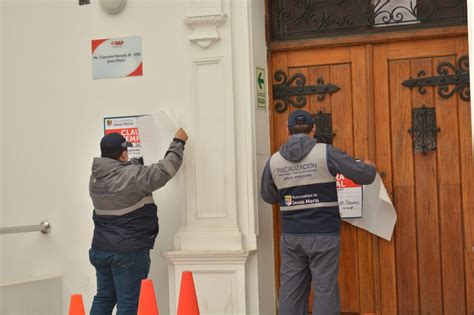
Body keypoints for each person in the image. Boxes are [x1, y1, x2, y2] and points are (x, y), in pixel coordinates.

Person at [260, 110, 376, 315]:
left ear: (287, 130)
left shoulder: (274, 161)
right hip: (324, 235)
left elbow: (268, 196)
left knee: (291, 292)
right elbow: (364, 176)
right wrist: (369, 167)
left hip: (292, 237)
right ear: (314, 129)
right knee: (325, 290)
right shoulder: (326, 152)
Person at [88, 128, 188, 315]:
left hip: (100, 248)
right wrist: (178, 143)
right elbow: (164, 171)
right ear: (124, 154)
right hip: (127, 252)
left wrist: (132, 165)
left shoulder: (95, 178)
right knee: (129, 303)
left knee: (104, 298)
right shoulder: (134, 176)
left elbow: (122, 177)